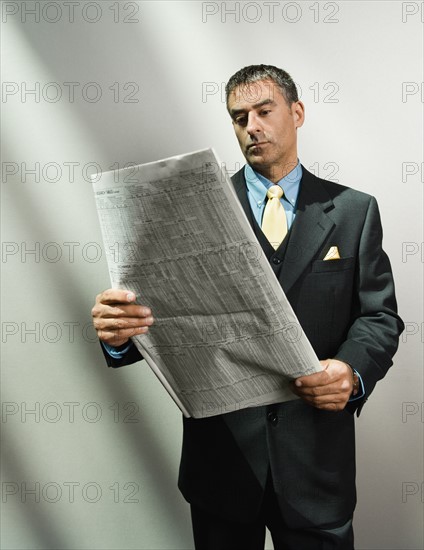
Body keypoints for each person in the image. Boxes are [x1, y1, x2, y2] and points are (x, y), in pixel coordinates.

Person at [91, 65, 404, 549]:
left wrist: (352, 370)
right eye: (239, 117)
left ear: (296, 113)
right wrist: (119, 337)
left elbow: (379, 316)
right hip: (222, 465)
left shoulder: (354, 211)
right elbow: (168, 319)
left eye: (264, 111)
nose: (252, 126)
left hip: (316, 464)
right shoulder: (190, 212)